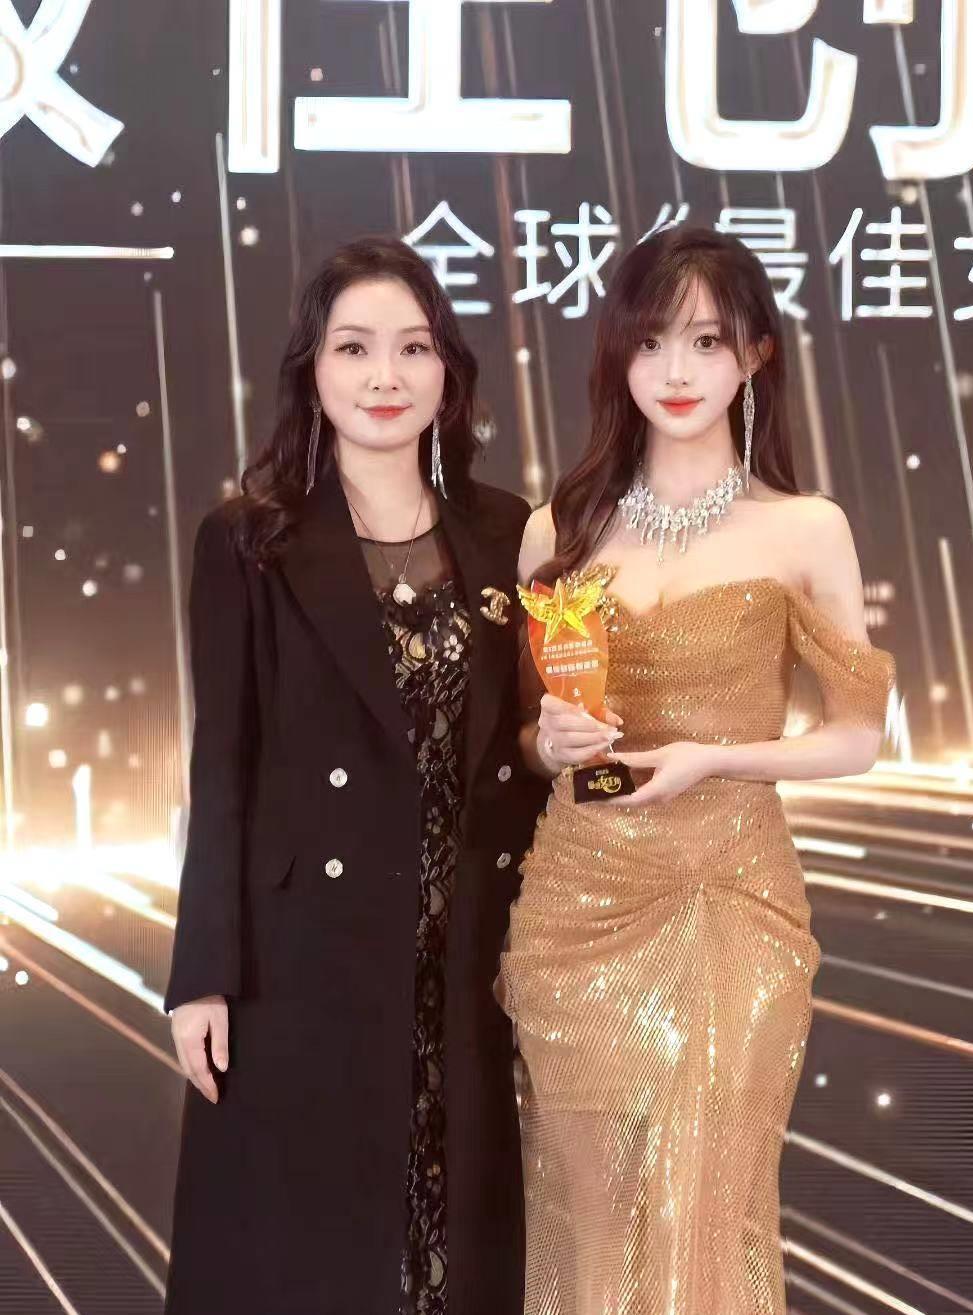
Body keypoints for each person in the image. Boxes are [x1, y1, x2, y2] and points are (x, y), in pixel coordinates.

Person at [499, 228, 896, 1315]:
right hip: (579, 907)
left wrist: (714, 757)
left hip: (731, 893)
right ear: (617, 355)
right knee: (593, 1215)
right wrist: (550, 743)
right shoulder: (555, 531)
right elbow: (528, 737)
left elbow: (857, 736)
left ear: (755, 355)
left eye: (707, 342)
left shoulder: (804, 527)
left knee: (706, 1204)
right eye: (651, 341)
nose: (676, 370)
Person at [164, 237, 547, 1315]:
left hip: (463, 946)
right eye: (355, 348)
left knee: (451, 1244)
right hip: (301, 959)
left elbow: (521, 746)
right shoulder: (248, 540)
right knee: (306, 1254)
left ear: (448, 372)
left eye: (414, 348)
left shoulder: (506, 531)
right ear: (312, 369)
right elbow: (222, 765)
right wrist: (201, 974)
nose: (386, 376)